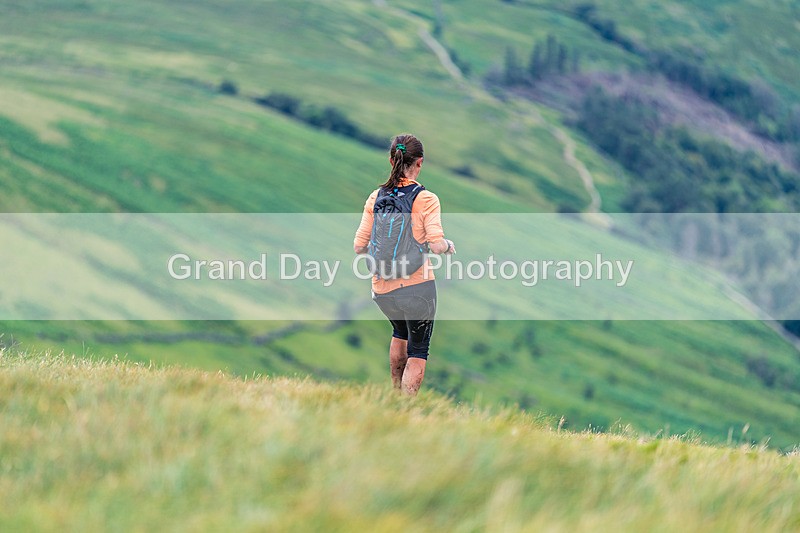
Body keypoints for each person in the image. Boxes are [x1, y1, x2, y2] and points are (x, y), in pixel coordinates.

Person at [353, 134, 456, 395]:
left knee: (400, 332)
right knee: (418, 349)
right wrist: (447, 246)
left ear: (391, 160)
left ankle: (394, 394)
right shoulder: (427, 198)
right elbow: (435, 244)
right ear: (419, 163)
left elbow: (358, 246)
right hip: (417, 287)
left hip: (382, 288)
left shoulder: (375, 196)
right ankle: (406, 407)